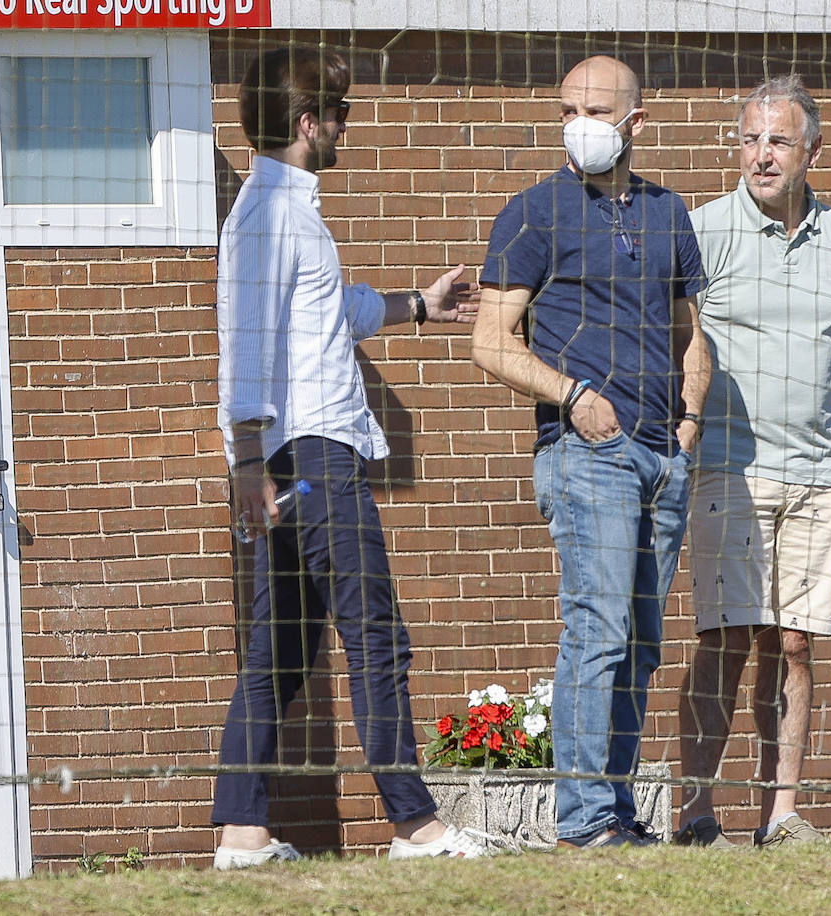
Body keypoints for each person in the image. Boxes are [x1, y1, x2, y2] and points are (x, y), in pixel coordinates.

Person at [211, 46, 483, 868]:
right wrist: (250, 463)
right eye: (340, 113)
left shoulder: (285, 213)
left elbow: (327, 314)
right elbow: (245, 346)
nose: (343, 127)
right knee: (376, 636)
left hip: (298, 456)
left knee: (283, 649)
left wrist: (418, 307)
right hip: (313, 459)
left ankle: (242, 833)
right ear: (307, 123)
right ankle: (415, 825)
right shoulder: (272, 213)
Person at [471, 55, 710, 850]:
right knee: (598, 630)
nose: (580, 125)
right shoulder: (533, 214)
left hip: (661, 457)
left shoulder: (670, 214)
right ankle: (582, 822)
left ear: (636, 124)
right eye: (568, 109)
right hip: (586, 455)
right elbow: (489, 343)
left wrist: (690, 424)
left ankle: (618, 813)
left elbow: (691, 337)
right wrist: (572, 396)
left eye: (597, 111)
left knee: (641, 643)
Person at [676, 74, 831, 849]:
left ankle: (781, 813)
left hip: (820, 471)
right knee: (726, 635)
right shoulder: (703, 231)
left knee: (793, 641)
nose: (762, 156)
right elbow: (679, 341)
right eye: (751, 139)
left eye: (779, 141)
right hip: (728, 466)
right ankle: (696, 812)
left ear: (813, 150)